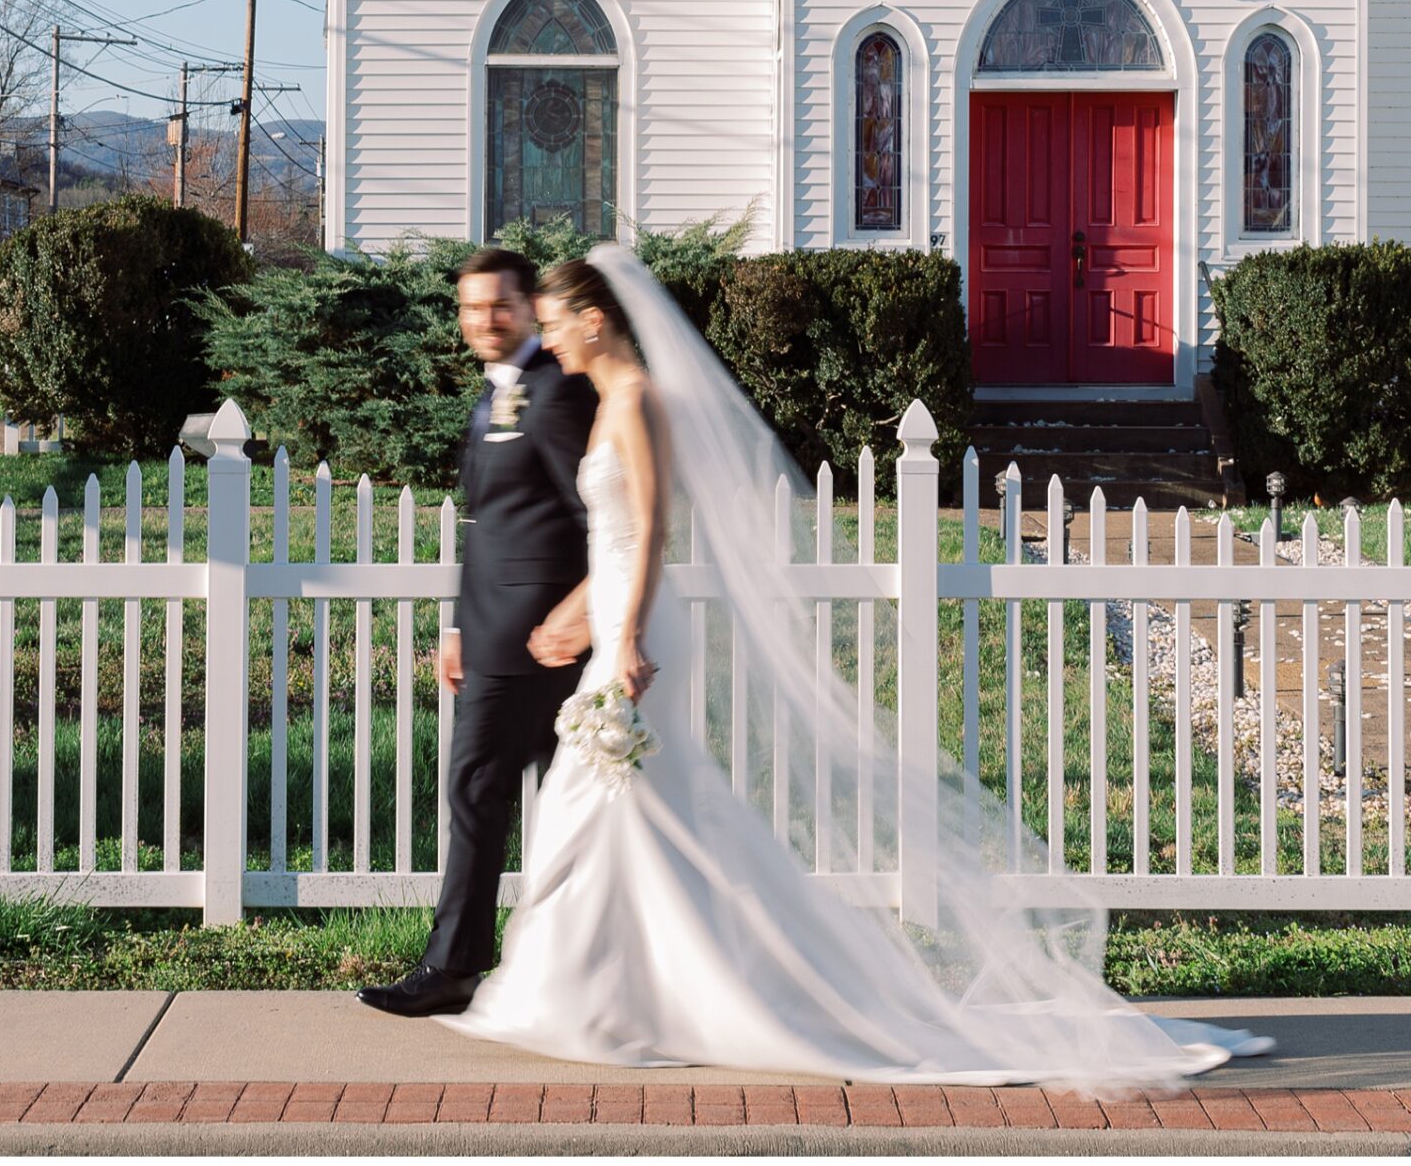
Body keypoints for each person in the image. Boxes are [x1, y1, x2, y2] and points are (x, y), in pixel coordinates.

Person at [443, 247, 1272, 1090]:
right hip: (619, 620)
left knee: (602, 799)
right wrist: (585, 613)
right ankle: (626, 987)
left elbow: (651, 530)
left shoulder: (635, 400)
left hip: (638, 633)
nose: (548, 339)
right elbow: (610, 537)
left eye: (554, 323)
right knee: (636, 811)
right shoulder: (608, 400)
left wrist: (620, 636)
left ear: (593, 320)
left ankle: (614, 992)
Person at [357, 245, 597, 1019]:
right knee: (539, 801)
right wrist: (459, 623)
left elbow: (595, 516)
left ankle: (454, 966)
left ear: (529, 308)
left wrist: (575, 617)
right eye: (469, 307)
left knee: (478, 792)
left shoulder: (557, 391)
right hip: (493, 631)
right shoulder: (495, 392)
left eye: (498, 305)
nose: (482, 320)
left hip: (538, 642)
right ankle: (555, 965)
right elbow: (488, 523)